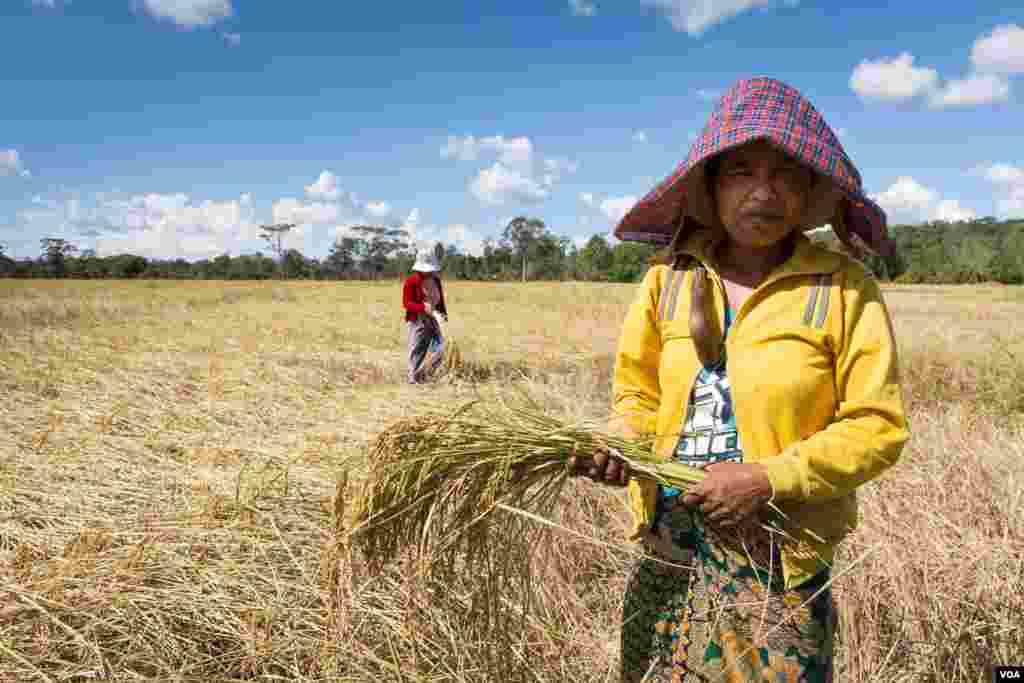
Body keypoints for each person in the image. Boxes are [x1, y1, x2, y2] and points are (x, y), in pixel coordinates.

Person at [570, 77, 910, 681]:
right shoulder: (666, 280)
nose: (763, 191)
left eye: (785, 173)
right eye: (741, 171)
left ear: (808, 191)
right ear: (711, 185)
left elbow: (877, 426)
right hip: (668, 555)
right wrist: (620, 447)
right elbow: (638, 396)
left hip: (777, 563)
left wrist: (766, 478)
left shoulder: (842, 289)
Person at [402, 246, 448, 384]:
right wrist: (423, 307)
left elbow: (440, 302)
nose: (428, 272)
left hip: (436, 320)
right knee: (416, 351)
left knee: (442, 349)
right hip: (418, 320)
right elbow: (407, 303)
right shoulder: (411, 282)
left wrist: (444, 317)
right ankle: (412, 380)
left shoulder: (436, 280)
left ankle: (425, 374)